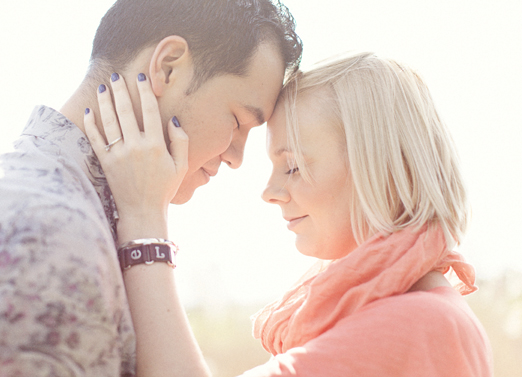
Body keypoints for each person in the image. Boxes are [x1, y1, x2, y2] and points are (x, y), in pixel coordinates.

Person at [0, 0, 302, 377]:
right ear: (168, 68)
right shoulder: (45, 235)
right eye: (239, 121)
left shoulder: (45, 200)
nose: (237, 158)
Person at [84, 52, 493, 376]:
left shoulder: (418, 325)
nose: (270, 192)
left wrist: (144, 220)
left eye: (293, 166)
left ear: (386, 169)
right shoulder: (429, 312)